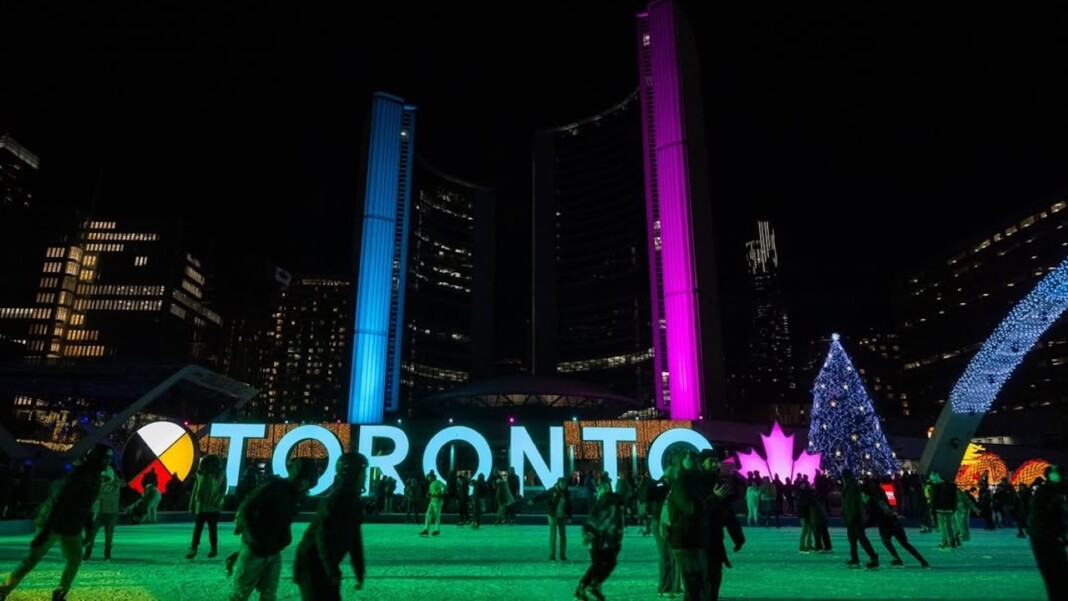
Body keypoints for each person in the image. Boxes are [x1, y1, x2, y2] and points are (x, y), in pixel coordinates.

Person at [0, 444, 113, 601]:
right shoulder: (82, 474)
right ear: (96, 457)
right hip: (53, 522)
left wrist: (88, 527)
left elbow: (86, 505)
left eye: (110, 458)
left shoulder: (96, 477)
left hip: (70, 527)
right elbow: (61, 501)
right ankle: (4, 589)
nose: (109, 461)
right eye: (106, 457)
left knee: (75, 558)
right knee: (32, 560)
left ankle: (60, 592)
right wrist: (46, 530)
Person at [228, 457, 320, 601]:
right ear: (296, 475)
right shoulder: (274, 486)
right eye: (303, 478)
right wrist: (251, 538)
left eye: (308, 480)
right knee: (240, 595)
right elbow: (246, 508)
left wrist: (284, 539)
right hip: (254, 551)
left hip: (273, 552)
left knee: (269, 594)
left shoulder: (297, 497)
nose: (304, 483)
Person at [293, 452, 369, 601]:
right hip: (311, 565)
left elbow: (355, 538)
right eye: (362, 473)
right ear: (352, 475)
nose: (365, 477)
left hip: (326, 564)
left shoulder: (354, 502)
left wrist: (359, 570)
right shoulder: (334, 501)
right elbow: (322, 537)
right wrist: (332, 570)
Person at [575, 480, 624, 601]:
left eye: (601, 488)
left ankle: (590, 587)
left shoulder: (606, 501)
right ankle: (588, 587)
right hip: (601, 538)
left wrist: (589, 532)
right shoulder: (607, 502)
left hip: (602, 538)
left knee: (603, 563)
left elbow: (607, 521)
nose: (599, 490)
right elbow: (604, 520)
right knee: (601, 564)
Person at [1027, 464, 1066, 600]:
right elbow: (1039, 515)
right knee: (1053, 572)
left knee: (1058, 572)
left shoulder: (1058, 490)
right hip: (1044, 537)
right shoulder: (1045, 492)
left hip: (1051, 536)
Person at [186, 454, 227, 559]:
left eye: (212, 463)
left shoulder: (221, 475)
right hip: (202, 506)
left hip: (213, 506)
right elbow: (195, 490)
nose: (210, 465)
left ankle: (213, 548)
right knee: (198, 528)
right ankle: (194, 548)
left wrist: (217, 500)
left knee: (212, 529)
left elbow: (222, 490)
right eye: (208, 463)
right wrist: (192, 505)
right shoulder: (200, 475)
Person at [83, 464, 125, 560]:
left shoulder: (115, 485)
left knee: (108, 535)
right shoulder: (97, 484)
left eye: (105, 477)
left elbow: (119, 482)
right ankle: (88, 553)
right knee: (92, 534)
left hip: (110, 513)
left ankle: (107, 554)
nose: (103, 478)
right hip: (98, 512)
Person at [529, 477, 572, 561]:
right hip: (552, 515)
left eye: (565, 484)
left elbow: (569, 505)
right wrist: (533, 500)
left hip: (562, 515)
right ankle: (552, 555)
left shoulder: (566, 493)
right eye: (562, 484)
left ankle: (562, 555)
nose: (564, 486)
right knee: (553, 534)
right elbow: (542, 496)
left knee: (563, 536)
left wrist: (569, 516)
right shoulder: (552, 491)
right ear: (558, 483)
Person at [419, 471, 446, 537]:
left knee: (436, 516)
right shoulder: (431, 484)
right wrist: (430, 494)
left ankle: (437, 530)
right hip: (432, 501)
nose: (428, 478)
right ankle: (426, 529)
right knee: (428, 515)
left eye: (428, 477)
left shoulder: (437, 482)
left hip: (437, 501)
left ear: (432, 477)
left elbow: (444, 487)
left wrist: (441, 493)